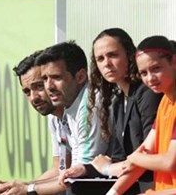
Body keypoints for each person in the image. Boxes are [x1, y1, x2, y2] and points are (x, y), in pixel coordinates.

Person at [0, 41, 107, 195]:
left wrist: (28, 189)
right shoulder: (56, 116)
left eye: (38, 86)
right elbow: (60, 168)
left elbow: (75, 176)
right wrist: (21, 187)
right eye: (27, 91)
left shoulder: (88, 104)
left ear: (79, 77)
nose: (34, 97)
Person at [60, 28, 162, 194]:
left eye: (113, 55)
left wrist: (107, 168)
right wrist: (85, 169)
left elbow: (147, 156)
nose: (106, 63)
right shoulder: (117, 102)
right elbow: (116, 157)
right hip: (132, 185)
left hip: (154, 185)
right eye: (100, 59)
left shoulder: (148, 93)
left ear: (129, 55)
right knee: (76, 184)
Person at [106, 35, 176, 195]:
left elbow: (169, 162)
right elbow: (146, 150)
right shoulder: (165, 102)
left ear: (174, 62)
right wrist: (113, 193)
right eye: (143, 73)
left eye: (156, 68)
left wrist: (133, 158)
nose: (150, 78)